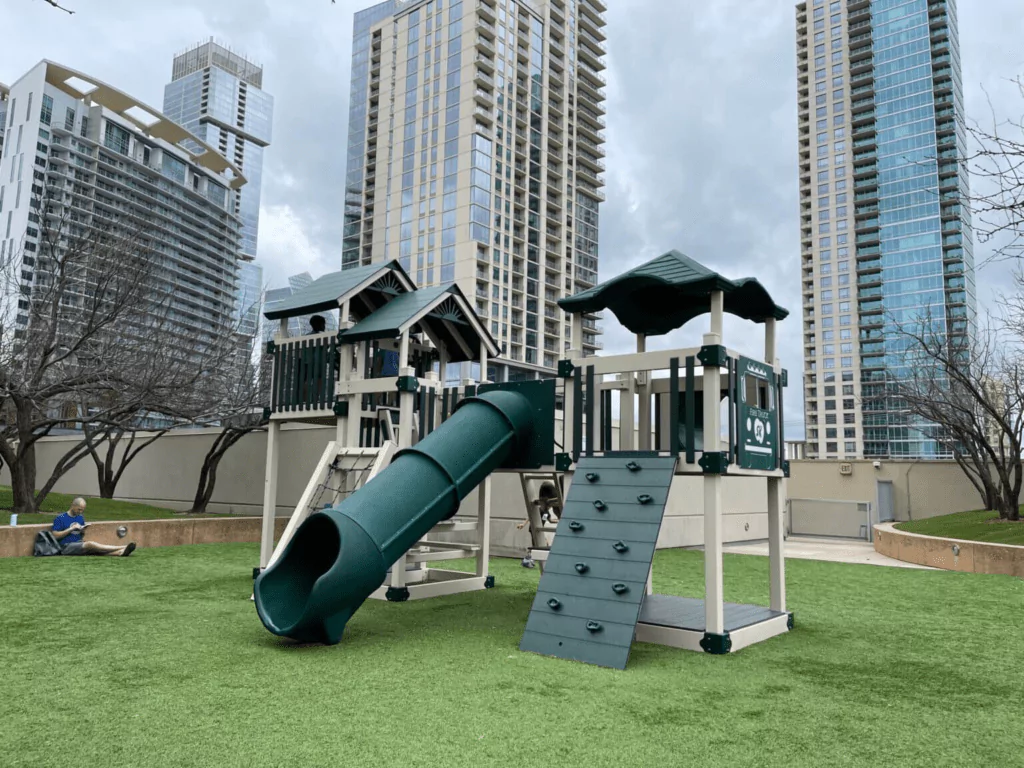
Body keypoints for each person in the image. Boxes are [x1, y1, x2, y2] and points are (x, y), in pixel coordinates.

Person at [51, 497, 136, 557]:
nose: (80, 512)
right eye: (79, 509)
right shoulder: (60, 518)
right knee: (90, 544)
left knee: (94, 550)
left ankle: (120, 552)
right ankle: (123, 547)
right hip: (65, 547)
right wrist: (71, 529)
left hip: (79, 543)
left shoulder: (80, 517)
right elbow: (55, 536)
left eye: (82, 510)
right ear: (73, 506)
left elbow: (80, 535)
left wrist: (82, 531)